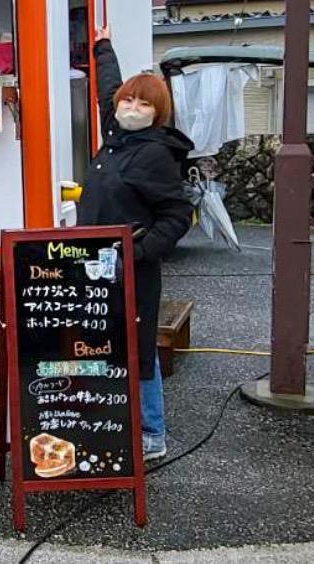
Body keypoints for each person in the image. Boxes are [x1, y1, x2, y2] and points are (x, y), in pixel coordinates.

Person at [77, 25, 194, 462]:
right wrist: (103, 45)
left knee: (139, 350)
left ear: (157, 113)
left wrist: (138, 251)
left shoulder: (154, 154)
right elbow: (107, 88)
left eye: (144, 102)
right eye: (129, 100)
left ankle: (152, 434)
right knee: (103, 345)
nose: (132, 106)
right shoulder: (118, 137)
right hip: (97, 267)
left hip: (134, 272)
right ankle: (113, 422)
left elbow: (177, 215)